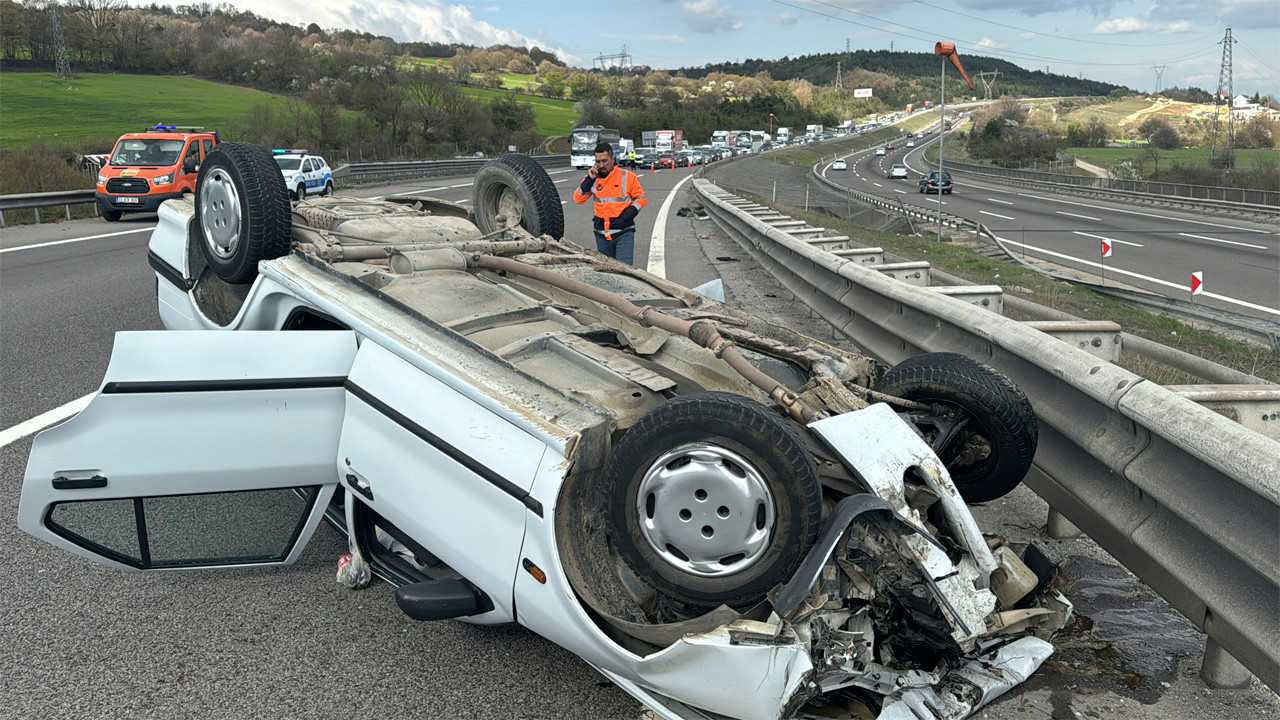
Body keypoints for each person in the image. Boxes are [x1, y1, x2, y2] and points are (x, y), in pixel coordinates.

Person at [573, 142, 646, 265]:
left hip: (623, 231)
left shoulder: (628, 177)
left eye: (605, 161)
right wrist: (588, 180)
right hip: (601, 234)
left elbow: (641, 198)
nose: (601, 165)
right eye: (598, 161)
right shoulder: (593, 178)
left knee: (625, 271)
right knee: (608, 273)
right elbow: (578, 199)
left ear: (613, 159)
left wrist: (626, 216)